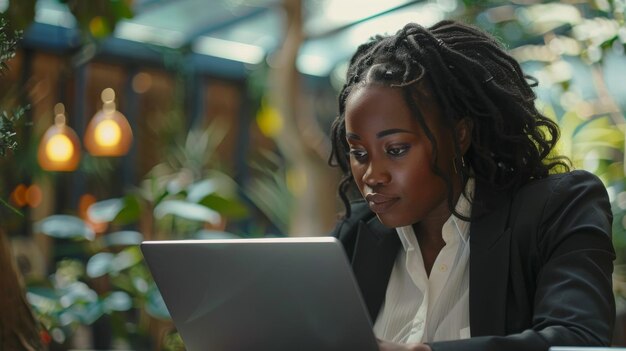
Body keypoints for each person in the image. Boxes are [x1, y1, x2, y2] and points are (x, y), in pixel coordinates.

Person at [328, 19, 615, 351]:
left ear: (459, 134)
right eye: (359, 152)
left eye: (396, 150)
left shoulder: (556, 209)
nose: (372, 175)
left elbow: (578, 341)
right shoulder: (353, 237)